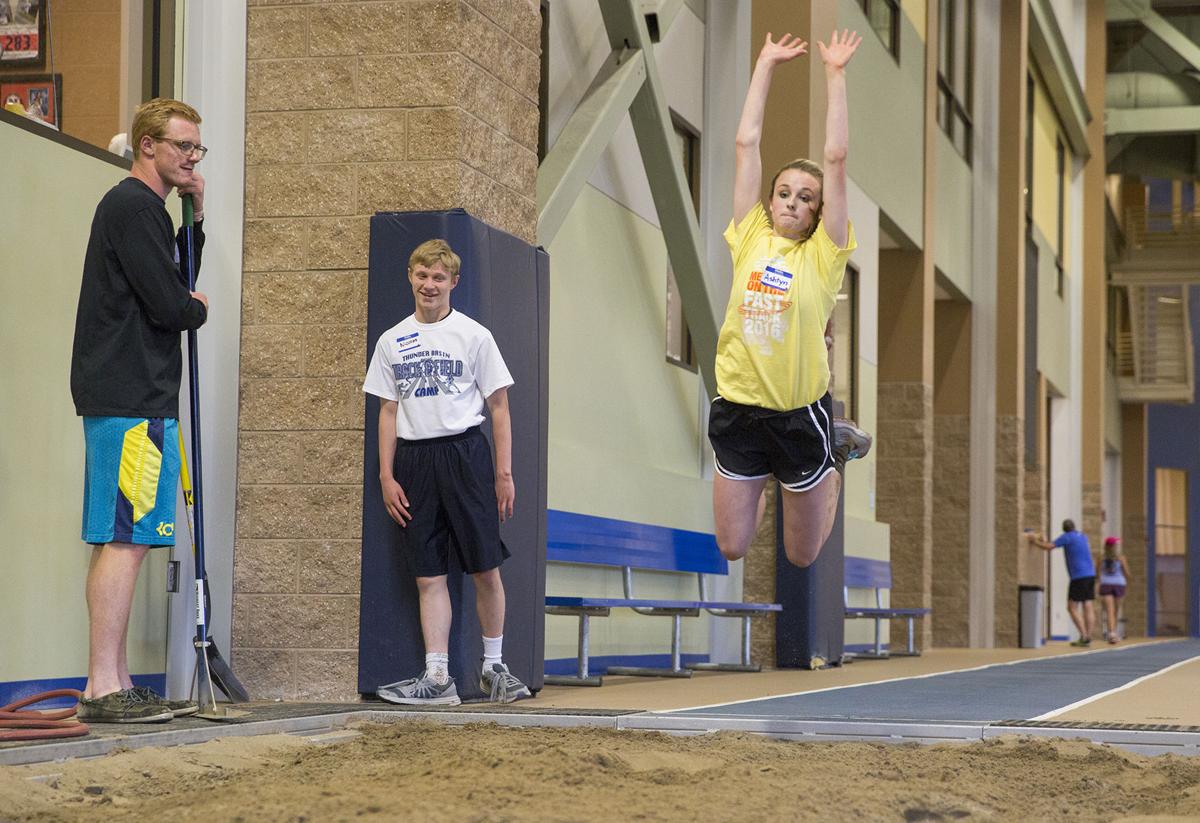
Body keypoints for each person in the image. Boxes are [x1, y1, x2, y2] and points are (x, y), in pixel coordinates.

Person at [70, 98, 210, 722]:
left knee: (119, 537)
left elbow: (171, 283)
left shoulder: (144, 212)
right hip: (133, 397)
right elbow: (171, 303)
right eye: (182, 146)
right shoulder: (132, 206)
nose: (191, 157)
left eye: (196, 149)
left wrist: (196, 219)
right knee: (126, 540)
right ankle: (103, 685)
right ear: (147, 146)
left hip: (130, 395)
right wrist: (196, 307)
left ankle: (113, 679)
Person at [710, 29, 870, 569]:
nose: (792, 203)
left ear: (818, 212)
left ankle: (834, 457)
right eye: (784, 193)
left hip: (798, 413)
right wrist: (765, 64)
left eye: (806, 198)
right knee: (732, 546)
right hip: (739, 408)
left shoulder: (823, 256)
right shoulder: (749, 234)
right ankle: (770, 477)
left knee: (801, 557)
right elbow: (745, 145)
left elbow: (838, 158)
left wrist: (835, 74)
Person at [362, 239, 532, 706]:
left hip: (465, 456)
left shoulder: (475, 336)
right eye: (422, 275)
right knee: (427, 574)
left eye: (439, 277)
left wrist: (503, 473)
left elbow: (499, 407)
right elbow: (387, 412)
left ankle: (494, 666)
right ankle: (437, 678)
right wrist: (386, 475)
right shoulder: (391, 340)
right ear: (410, 277)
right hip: (414, 462)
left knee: (484, 566)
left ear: (454, 282)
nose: (429, 285)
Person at [1028, 519, 1096, 646]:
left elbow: (1049, 547)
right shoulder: (1082, 536)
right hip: (1090, 574)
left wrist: (1034, 541)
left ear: (1064, 529)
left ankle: (1084, 635)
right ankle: (1089, 636)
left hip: (1078, 576)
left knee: (1071, 607)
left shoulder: (1067, 537)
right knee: (1088, 604)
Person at [1098, 536, 1130, 644]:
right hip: (1119, 584)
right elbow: (1127, 573)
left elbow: (1097, 573)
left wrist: (1099, 583)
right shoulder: (1121, 558)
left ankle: (1112, 633)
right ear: (1114, 546)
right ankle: (1113, 632)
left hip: (1106, 584)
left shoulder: (1101, 558)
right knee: (1115, 610)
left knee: (1109, 610)